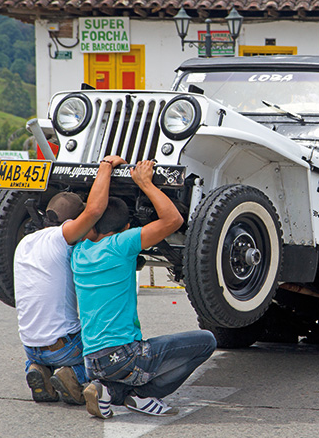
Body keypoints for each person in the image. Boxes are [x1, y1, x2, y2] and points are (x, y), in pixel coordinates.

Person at [73, 160, 217, 419]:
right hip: (124, 357)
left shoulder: (79, 251)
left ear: (92, 229)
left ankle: (108, 391)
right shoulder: (122, 244)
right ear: (126, 228)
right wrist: (145, 183)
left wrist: (105, 167)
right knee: (207, 341)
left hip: (92, 361)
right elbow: (173, 220)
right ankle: (143, 395)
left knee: (132, 358)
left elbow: (93, 210)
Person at [14, 154, 126, 405]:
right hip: (63, 347)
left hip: (30, 346)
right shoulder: (60, 237)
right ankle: (73, 374)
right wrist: (106, 166)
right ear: (72, 222)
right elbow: (95, 211)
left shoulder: (24, 243)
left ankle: (38, 369)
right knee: (117, 351)